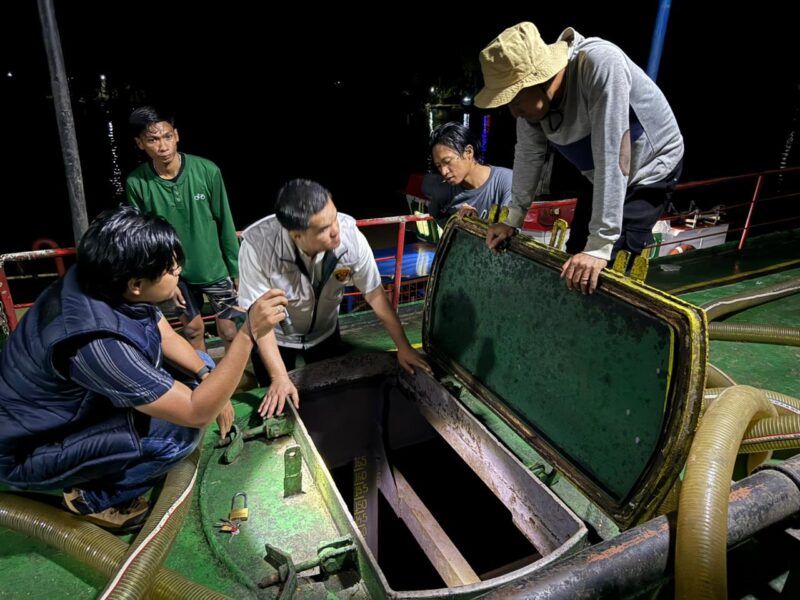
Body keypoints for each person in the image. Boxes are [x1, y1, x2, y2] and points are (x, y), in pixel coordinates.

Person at [0, 207, 286, 531]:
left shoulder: (103, 278)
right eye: (170, 269)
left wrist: (207, 375)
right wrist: (248, 334)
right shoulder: (99, 344)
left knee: (204, 368)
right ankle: (91, 498)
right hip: (31, 449)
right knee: (181, 434)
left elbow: (164, 333)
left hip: (65, 411)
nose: (179, 270)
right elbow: (195, 413)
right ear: (136, 284)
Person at [475, 22, 684, 294]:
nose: (514, 113)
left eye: (514, 100)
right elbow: (528, 155)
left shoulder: (599, 64)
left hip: (648, 167)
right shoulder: (531, 105)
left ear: (540, 78)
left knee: (608, 269)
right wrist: (512, 219)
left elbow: (613, 154)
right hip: (598, 172)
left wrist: (600, 245)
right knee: (574, 257)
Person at [238, 179, 432, 418]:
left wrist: (404, 347)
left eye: (334, 217)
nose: (335, 230)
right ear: (297, 235)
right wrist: (278, 377)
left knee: (331, 401)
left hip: (326, 333)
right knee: (279, 405)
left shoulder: (350, 238)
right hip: (276, 338)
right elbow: (260, 320)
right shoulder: (258, 246)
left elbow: (375, 296)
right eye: (323, 229)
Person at [126, 106, 241, 352]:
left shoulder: (207, 170)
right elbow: (144, 237)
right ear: (140, 143)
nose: (163, 146)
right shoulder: (136, 182)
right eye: (152, 140)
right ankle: (204, 374)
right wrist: (164, 276)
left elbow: (225, 221)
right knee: (192, 330)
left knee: (230, 330)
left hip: (214, 268)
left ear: (176, 135)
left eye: (167, 136)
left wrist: (236, 269)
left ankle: (234, 374)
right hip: (175, 273)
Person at [422, 122, 513, 226]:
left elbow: (509, 228)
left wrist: (474, 222)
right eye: (438, 166)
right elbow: (434, 223)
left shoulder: (507, 181)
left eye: (447, 161)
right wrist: (456, 221)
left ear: (468, 152)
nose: (444, 172)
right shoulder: (443, 191)